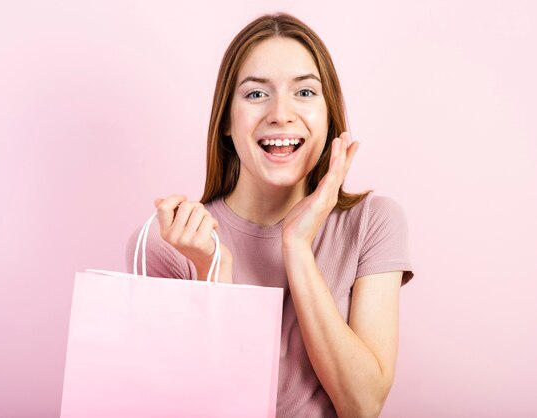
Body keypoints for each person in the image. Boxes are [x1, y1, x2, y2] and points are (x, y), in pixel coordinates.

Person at [126, 12, 414, 418]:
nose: (281, 113)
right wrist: (214, 276)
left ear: (329, 114)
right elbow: (186, 407)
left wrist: (297, 247)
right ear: (226, 120)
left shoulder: (372, 224)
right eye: (257, 94)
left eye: (305, 93)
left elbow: (362, 405)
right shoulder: (173, 241)